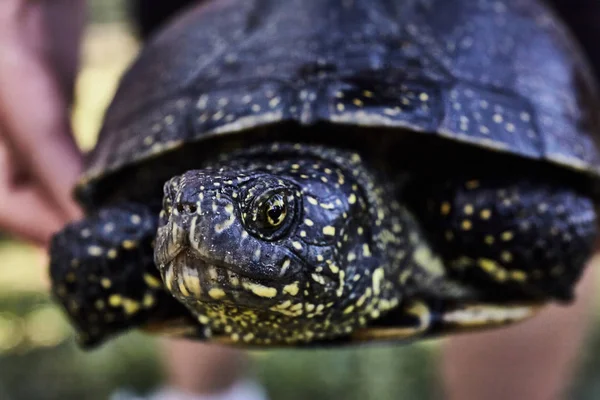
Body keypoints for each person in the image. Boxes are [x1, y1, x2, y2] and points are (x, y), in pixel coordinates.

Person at [0, 1, 597, 400]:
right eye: (175, 207)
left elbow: (566, 213)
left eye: (271, 216)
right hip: (224, 24)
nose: (188, 226)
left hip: (466, 27)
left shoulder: (465, 205)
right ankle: (202, 395)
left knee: (532, 218)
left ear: (353, 223)